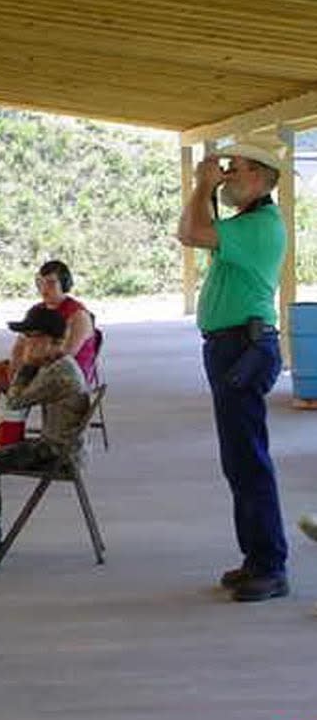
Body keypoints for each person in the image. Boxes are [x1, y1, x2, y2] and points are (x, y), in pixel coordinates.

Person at [177, 142, 288, 602]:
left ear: (261, 179)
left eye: (235, 169)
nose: (226, 175)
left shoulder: (261, 225)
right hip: (233, 347)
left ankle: (270, 565)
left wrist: (203, 184)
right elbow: (194, 228)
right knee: (239, 460)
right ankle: (257, 558)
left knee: (248, 460)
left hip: (244, 347)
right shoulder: (246, 223)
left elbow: (190, 232)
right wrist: (205, 187)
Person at [0, 306, 90, 565]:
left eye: (31, 337)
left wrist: (27, 366)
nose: (25, 344)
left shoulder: (58, 371)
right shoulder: (58, 365)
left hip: (59, 453)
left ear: (50, 340)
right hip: (62, 445)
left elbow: (14, 401)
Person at [0, 259, 95, 444]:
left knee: (15, 399)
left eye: (51, 283)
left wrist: (24, 374)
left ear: (65, 284)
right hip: (37, 369)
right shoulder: (37, 310)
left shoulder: (78, 315)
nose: (44, 289)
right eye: (40, 283)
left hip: (60, 378)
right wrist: (16, 371)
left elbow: (65, 355)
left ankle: (9, 434)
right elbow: (19, 348)